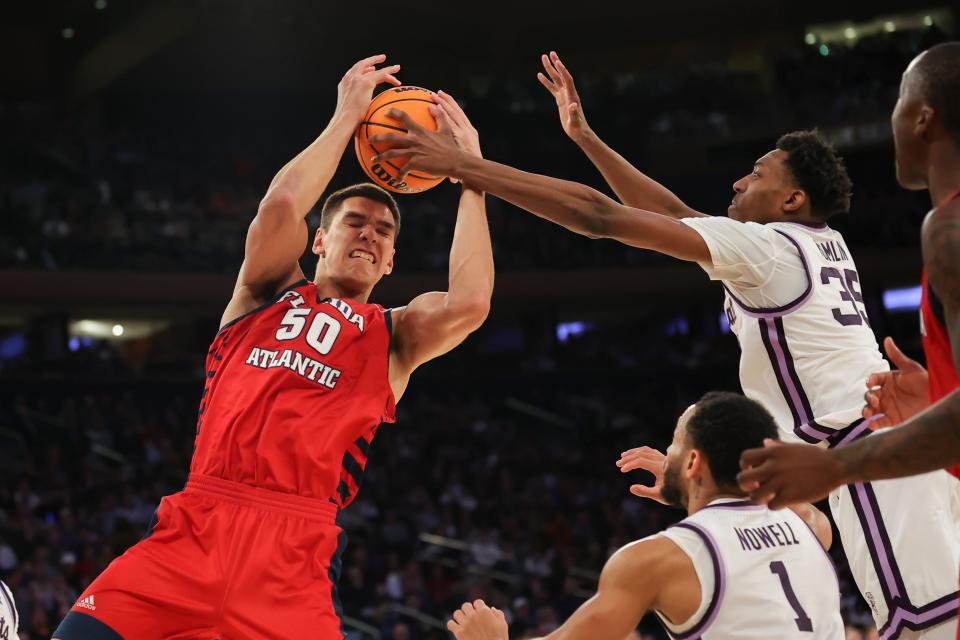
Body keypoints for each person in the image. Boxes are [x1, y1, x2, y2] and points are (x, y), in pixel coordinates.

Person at [370, 52, 960, 638]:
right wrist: (586, 138)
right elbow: (675, 213)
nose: (738, 180)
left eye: (756, 173)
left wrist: (466, 167)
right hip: (883, 451)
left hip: (875, 463)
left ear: (791, 200)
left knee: (928, 626)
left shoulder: (770, 250)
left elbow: (600, 217)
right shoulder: (814, 243)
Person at [52, 55, 494, 639]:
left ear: (391, 262)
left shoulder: (395, 334)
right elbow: (279, 206)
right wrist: (345, 120)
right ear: (319, 240)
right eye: (354, 222)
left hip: (293, 553)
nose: (369, 234)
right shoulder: (261, 294)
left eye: (384, 232)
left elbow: (470, 303)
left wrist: (473, 178)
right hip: (195, 527)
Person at [735, 43, 960, 502]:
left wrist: (832, 465)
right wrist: (940, 396)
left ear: (923, 118)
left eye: (899, 100)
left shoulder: (949, 228)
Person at [445, 393, 844, 640]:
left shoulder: (657, 561)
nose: (664, 452)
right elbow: (753, 512)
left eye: (672, 444)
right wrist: (689, 486)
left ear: (693, 462)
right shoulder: (812, 527)